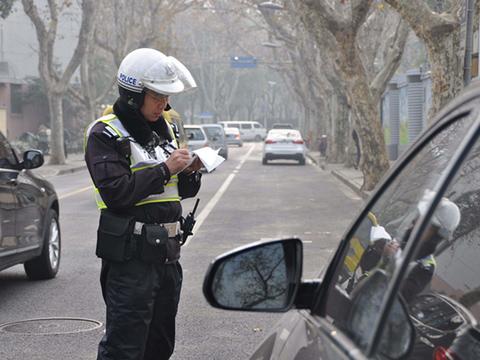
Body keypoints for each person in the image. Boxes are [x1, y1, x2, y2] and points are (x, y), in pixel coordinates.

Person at [84, 48, 202, 360]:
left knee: (160, 346)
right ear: (134, 95)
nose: (164, 104)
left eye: (167, 97)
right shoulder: (105, 133)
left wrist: (192, 171)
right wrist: (165, 169)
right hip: (130, 260)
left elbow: (178, 192)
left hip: (167, 257)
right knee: (125, 348)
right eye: (157, 96)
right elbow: (116, 193)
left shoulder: (168, 131)